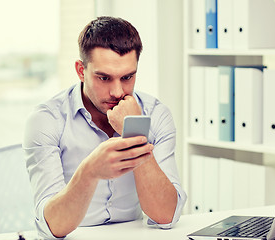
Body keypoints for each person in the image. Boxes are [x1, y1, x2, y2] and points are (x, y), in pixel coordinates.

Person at [23, 16, 187, 239]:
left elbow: (166, 216)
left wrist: (136, 132)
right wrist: (89, 171)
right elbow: (53, 227)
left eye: (127, 77)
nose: (118, 92)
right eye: (104, 78)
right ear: (81, 71)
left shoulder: (156, 114)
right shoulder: (47, 120)